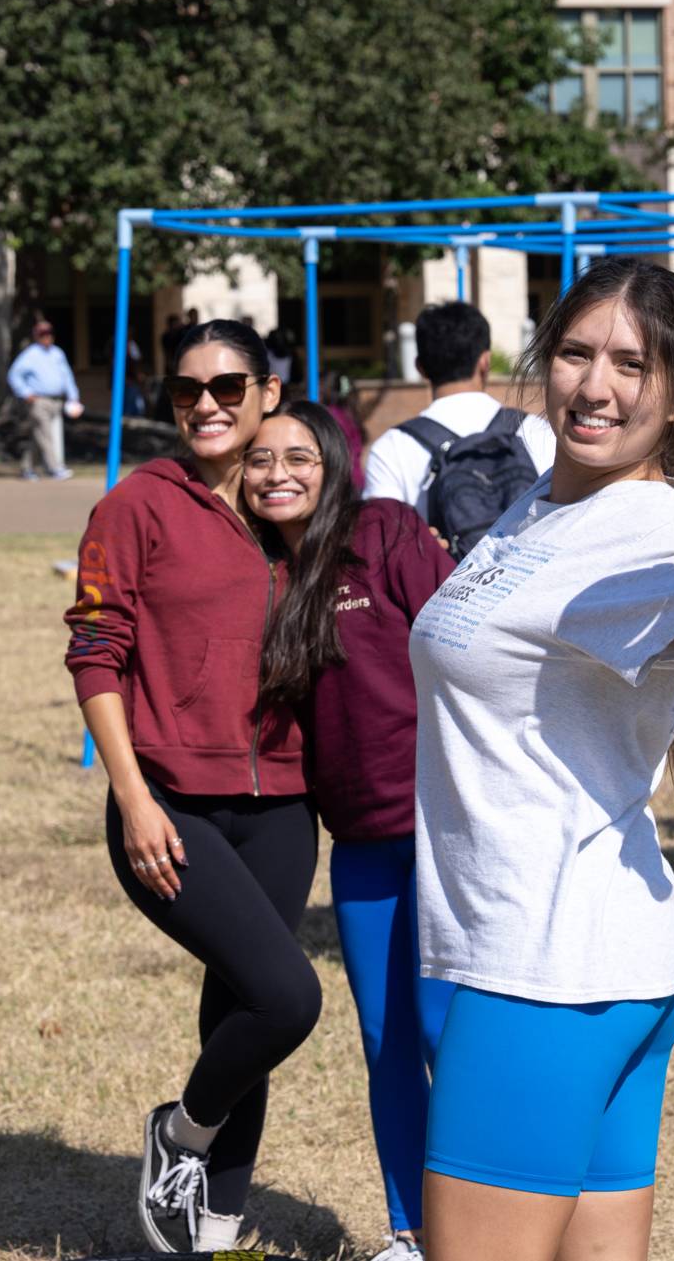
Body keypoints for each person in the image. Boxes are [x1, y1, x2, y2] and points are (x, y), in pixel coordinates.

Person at [410, 257, 674, 1260]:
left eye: (630, 365)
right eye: (574, 353)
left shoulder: (650, 532)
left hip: (547, 972)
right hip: (602, 957)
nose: (594, 386)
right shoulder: (540, 505)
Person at [65, 319, 317, 1253]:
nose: (205, 405)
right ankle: (179, 1132)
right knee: (288, 998)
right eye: (185, 391)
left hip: (287, 806)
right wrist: (133, 798)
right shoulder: (138, 503)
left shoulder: (293, 496)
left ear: (269, 392)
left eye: (227, 387)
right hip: (169, 804)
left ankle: (211, 1225)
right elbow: (94, 651)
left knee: (241, 1007)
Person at [242, 399, 457, 1261]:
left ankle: (493, 1225)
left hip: (451, 831)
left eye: (298, 455)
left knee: (453, 1033)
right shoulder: (258, 570)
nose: (279, 472)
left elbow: (461, 643)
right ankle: (410, 1229)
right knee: (387, 1039)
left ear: (333, 462)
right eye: (260, 459)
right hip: (360, 846)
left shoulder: (388, 533)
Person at [362, 300, 555, 512]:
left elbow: (383, 535)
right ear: (485, 361)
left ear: (420, 367)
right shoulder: (536, 432)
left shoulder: (392, 448)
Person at [8, 319, 81, 481]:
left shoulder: (58, 353)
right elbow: (14, 375)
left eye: (49, 334)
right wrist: (25, 392)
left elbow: (67, 376)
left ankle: (27, 468)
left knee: (38, 436)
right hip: (38, 401)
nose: (46, 337)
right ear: (36, 336)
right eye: (42, 334)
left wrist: (73, 396)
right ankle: (55, 468)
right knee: (45, 434)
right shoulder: (30, 355)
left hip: (57, 401)